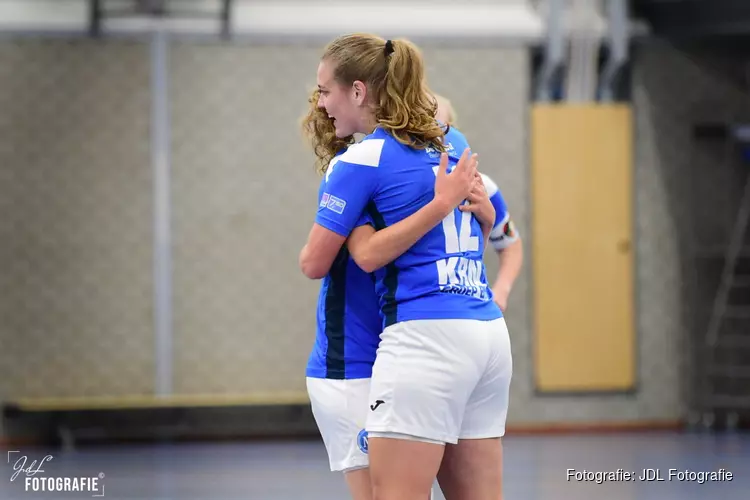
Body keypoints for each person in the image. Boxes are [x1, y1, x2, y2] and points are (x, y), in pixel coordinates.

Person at [299, 34, 513, 500]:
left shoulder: (360, 159)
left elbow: (325, 261)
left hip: (423, 338)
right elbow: (491, 220)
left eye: (325, 91)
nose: (320, 103)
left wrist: (427, 209)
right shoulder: (452, 140)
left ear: (358, 92)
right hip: (487, 332)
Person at [434, 95, 523, 311]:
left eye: (440, 128)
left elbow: (511, 244)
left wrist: (500, 292)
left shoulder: (483, 186)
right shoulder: (402, 184)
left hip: (469, 308)